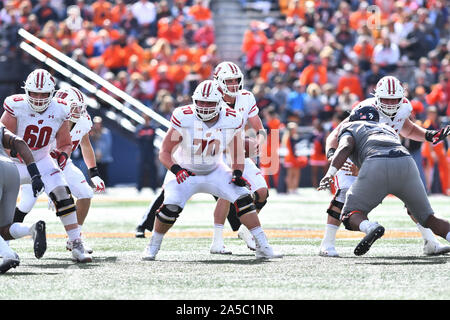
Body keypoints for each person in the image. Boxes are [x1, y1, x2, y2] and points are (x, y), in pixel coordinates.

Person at [142, 80, 281, 261]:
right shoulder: (183, 116)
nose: (204, 106)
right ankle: (153, 245)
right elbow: (165, 152)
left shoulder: (231, 118)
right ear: (194, 101)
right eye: (200, 102)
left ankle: (263, 245)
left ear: (219, 103)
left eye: (209, 103)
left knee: (243, 197)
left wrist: (237, 173)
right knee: (171, 206)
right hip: (186, 171)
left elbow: (237, 152)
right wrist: (176, 170)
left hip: (215, 170)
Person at [319, 75, 450, 257]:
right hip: (352, 156)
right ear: (376, 98)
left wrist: (429, 135)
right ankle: (327, 244)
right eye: (385, 99)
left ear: (401, 98)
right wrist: (333, 159)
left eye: (393, 99)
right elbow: (336, 136)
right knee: (343, 195)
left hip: (380, 157)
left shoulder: (403, 108)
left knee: (412, 201)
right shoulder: (364, 110)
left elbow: (408, 129)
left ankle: (431, 241)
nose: (389, 103)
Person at [2, 69, 91, 263]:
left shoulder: (60, 109)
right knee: (6, 209)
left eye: (43, 94)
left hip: (42, 159)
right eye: (34, 93)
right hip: (13, 161)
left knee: (63, 195)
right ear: (27, 91)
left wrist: (63, 156)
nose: (39, 98)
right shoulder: (15, 105)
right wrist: (20, 157)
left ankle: (76, 242)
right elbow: (4, 140)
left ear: (52, 93)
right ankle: (5, 244)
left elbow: (65, 143)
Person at [14, 86, 106, 255]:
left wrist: (94, 172)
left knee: (86, 193)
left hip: (63, 163)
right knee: (26, 204)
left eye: (80, 107)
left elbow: (86, 145)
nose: (79, 111)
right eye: (74, 107)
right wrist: (53, 187)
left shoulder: (83, 120)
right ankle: (4, 238)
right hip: (39, 163)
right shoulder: (51, 116)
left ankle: (74, 238)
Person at [209, 61, 270, 254]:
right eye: (229, 81)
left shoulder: (246, 97)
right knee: (226, 195)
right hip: (218, 153)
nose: (234, 84)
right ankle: (217, 242)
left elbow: (257, 125)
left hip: (238, 153)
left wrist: (259, 139)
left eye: (236, 80)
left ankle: (245, 230)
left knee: (262, 192)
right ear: (218, 81)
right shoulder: (210, 99)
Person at [0, 124, 46, 273]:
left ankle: (8, 255)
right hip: (10, 169)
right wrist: (34, 174)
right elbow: (19, 142)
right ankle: (30, 230)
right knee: (3, 229)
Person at [135, 113, 158, 192]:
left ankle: (154, 188)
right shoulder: (140, 127)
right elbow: (137, 137)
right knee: (141, 170)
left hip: (151, 152)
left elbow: (151, 138)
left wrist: (145, 137)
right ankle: (139, 188)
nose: (146, 120)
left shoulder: (152, 127)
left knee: (152, 170)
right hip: (142, 152)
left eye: (147, 118)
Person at [90, 116, 113, 187]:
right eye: (95, 123)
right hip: (94, 158)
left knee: (103, 172)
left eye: (98, 123)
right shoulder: (91, 133)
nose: (97, 125)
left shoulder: (106, 132)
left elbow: (108, 144)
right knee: (95, 173)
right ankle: (96, 186)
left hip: (104, 157)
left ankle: (104, 186)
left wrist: (101, 153)